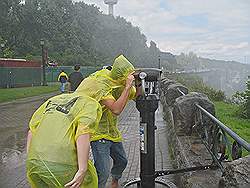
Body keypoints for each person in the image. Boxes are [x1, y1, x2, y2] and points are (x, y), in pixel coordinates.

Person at [76, 55, 139, 188]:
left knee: (122, 161)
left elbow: (137, 95)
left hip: (111, 131)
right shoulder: (101, 83)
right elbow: (116, 110)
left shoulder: (118, 83)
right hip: (97, 131)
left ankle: (114, 181)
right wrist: (127, 87)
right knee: (103, 171)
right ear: (121, 76)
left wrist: (139, 83)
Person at [26, 92, 102, 188]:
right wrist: (82, 169)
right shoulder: (88, 103)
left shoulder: (54, 100)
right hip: (61, 162)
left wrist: (30, 160)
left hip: (35, 162)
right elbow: (83, 133)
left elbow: (31, 131)